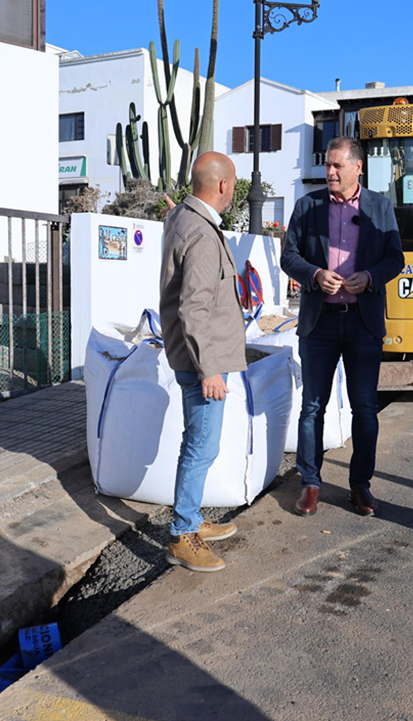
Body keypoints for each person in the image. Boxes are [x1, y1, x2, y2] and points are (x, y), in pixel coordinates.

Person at [281, 136, 404, 517]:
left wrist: (369, 277)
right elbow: (289, 256)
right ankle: (310, 483)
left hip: (363, 323)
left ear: (357, 168)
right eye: (327, 166)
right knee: (312, 406)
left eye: (337, 166)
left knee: (365, 408)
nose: (329, 172)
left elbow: (395, 257)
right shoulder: (308, 205)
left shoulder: (380, 207)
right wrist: (316, 274)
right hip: (319, 323)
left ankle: (360, 485)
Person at [158, 151, 244, 573]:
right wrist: (209, 367)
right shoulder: (204, 234)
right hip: (201, 361)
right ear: (224, 186)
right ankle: (181, 535)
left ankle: (190, 520)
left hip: (189, 355)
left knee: (196, 443)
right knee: (201, 448)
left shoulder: (182, 220)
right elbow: (194, 308)